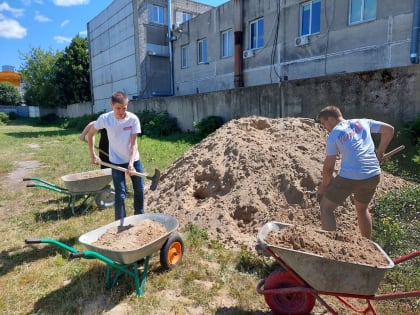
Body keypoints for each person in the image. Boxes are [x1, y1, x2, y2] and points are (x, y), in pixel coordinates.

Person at [316, 106, 394, 238]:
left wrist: (323, 186)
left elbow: (328, 168)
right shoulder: (363, 122)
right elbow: (389, 130)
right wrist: (380, 152)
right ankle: (367, 246)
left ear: (330, 119)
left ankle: (331, 250)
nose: (325, 127)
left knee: (326, 208)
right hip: (373, 174)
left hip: (350, 177)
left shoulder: (334, 134)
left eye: (324, 123)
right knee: (362, 209)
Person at [87, 91, 144, 220]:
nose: (122, 112)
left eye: (124, 108)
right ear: (111, 105)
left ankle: (139, 218)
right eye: (118, 108)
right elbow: (90, 134)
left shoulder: (133, 119)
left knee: (139, 189)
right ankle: (120, 222)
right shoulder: (105, 119)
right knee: (120, 193)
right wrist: (93, 155)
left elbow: (134, 144)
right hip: (116, 161)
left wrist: (131, 164)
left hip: (133, 160)